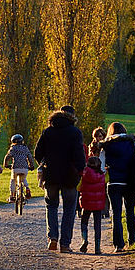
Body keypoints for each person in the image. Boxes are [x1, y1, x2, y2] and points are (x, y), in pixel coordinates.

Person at [34, 105, 86, 252]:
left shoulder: (48, 131)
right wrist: (80, 169)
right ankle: (65, 244)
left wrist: (45, 163)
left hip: (50, 175)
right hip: (70, 175)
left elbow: (38, 152)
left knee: (51, 206)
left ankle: (53, 238)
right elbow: (79, 154)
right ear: (72, 117)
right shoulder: (75, 132)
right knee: (69, 208)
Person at [102, 121, 135, 253]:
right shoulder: (131, 143)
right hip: (129, 182)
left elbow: (101, 166)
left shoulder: (106, 145)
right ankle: (132, 240)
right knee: (130, 212)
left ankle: (118, 244)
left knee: (116, 213)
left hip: (114, 182)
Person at [78, 155, 106, 255]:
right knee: (97, 225)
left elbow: (78, 188)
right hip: (98, 204)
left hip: (86, 203)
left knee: (84, 222)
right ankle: (97, 248)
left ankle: (84, 240)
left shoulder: (84, 174)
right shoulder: (102, 176)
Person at [3, 134, 35, 202]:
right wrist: (31, 165)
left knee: (13, 180)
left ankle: (12, 196)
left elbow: (7, 157)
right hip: (25, 168)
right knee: (23, 179)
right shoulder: (25, 148)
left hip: (15, 168)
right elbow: (30, 157)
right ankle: (27, 188)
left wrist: (6, 164)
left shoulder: (13, 148)